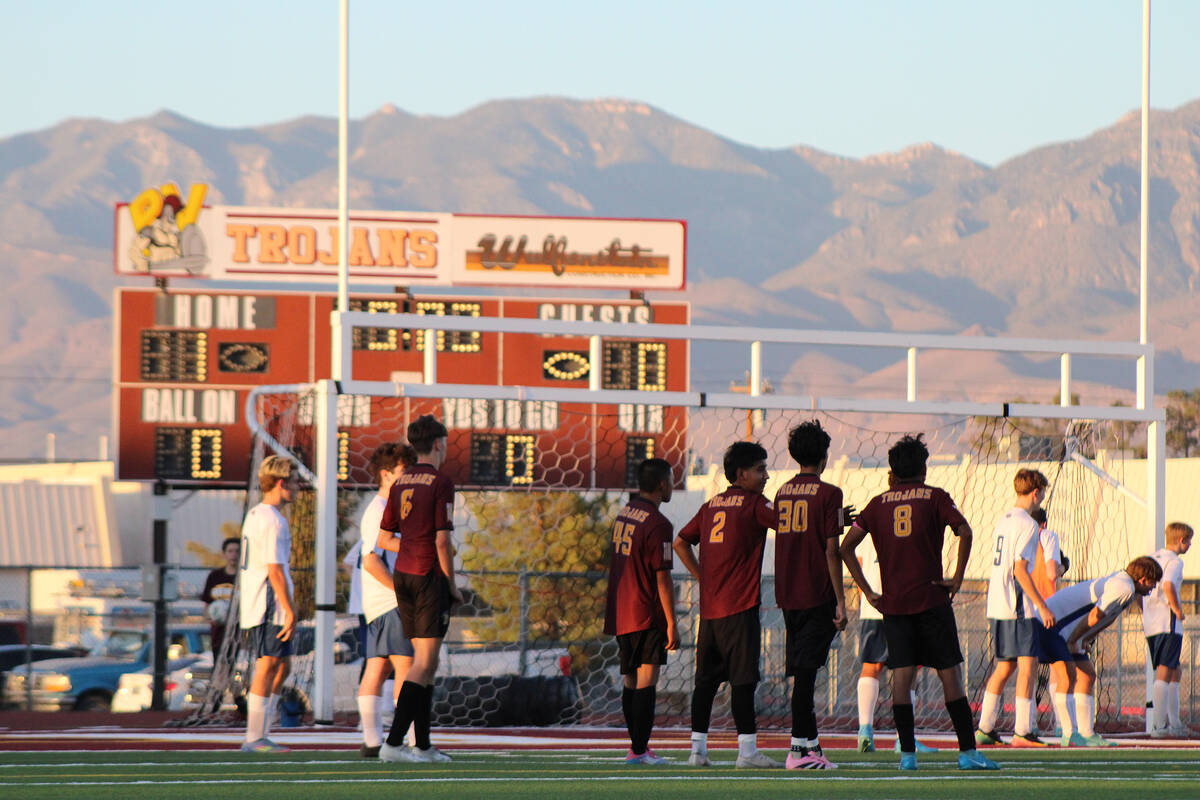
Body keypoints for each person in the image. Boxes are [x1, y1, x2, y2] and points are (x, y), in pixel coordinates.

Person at [840, 434, 998, 771]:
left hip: (893, 604)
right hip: (931, 599)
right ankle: (968, 752)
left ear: (893, 469)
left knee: (901, 677)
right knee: (950, 674)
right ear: (924, 468)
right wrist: (956, 578)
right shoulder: (935, 497)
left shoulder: (877, 503)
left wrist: (868, 591)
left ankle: (907, 756)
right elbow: (965, 532)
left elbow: (845, 547)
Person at [674, 440, 780, 769]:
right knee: (743, 681)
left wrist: (701, 577)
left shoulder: (711, 506)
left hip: (710, 609)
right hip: (740, 607)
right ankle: (747, 753)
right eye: (760, 469)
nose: (766, 475)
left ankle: (697, 751)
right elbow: (789, 527)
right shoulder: (755, 504)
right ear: (741, 473)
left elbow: (680, 542)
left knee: (705, 682)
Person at [377, 415, 462, 764]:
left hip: (404, 575)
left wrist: (412, 544)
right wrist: (453, 585)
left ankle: (423, 746)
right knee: (424, 663)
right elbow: (443, 540)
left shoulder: (400, 482)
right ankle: (393, 744)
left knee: (427, 662)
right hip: (428, 575)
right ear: (439, 443)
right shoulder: (441, 481)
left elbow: (384, 539)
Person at [773, 420, 851, 770]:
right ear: (824, 456)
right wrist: (842, 599)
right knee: (806, 676)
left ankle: (810, 746)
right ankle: (798, 751)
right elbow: (831, 550)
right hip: (815, 592)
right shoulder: (830, 493)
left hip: (788, 593)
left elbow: (803, 529)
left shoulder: (781, 492)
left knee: (803, 674)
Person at [1039, 556, 1163, 747]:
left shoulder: (1127, 588)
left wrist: (1085, 639)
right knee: (1067, 677)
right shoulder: (1124, 587)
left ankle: (1086, 733)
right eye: (1153, 583)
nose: (1153, 588)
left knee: (1087, 676)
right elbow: (1096, 614)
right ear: (1143, 579)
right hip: (1054, 624)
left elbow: (1108, 618)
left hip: (1070, 630)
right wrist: (1073, 640)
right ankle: (1068, 732)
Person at [603, 457, 679, 765]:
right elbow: (663, 576)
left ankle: (635, 748)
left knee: (630, 680)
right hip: (645, 610)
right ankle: (639, 750)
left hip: (621, 609)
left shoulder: (625, 513)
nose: (674, 484)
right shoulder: (659, 523)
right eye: (672, 479)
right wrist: (673, 623)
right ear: (662, 484)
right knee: (647, 680)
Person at [976, 470, 1056, 747]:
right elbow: (1020, 570)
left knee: (1005, 667)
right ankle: (1023, 731)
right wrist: (1042, 606)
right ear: (1036, 492)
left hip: (997, 603)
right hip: (1017, 605)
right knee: (1027, 666)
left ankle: (985, 727)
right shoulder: (1029, 525)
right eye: (1042, 492)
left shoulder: (1004, 519)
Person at [855, 500, 938, 755]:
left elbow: (856, 558)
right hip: (902, 605)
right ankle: (903, 739)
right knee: (907, 672)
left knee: (872, 667)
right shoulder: (911, 516)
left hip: (874, 604)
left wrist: (866, 595)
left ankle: (865, 730)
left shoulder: (872, 515)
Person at [357, 443, 419, 758]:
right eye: (403, 472)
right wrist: (401, 592)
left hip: (378, 603)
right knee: (406, 666)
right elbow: (370, 561)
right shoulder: (381, 509)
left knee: (378, 667)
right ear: (385, 474)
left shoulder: (387, 508)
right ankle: (406, 741)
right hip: (390, 602)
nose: (408, 478)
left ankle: (372, 741)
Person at [238, 455, 298, 753]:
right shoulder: (273, 519)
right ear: (281, 482)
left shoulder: (256, 514)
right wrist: (288, 608)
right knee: (267, 664)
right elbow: (274, 569)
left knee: (282, 665)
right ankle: (254, 737)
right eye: (295, 482)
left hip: (259, 600)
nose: (298, 488)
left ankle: (263, 729)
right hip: (267, 602)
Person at [1143, 522, 1193, 738]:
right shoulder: (1174, 562)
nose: (1190, 545)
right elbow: (1168, 586)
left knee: (1174, 670)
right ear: (1181, 541)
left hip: (1151, 623)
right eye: (1189, 541)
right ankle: (1159, 726)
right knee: (1164, 672)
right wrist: (1178, 610)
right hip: (1168, 623)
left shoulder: (1152, 558)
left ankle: (1174, 722)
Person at [202, 537, 240, 657]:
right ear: (224, 554)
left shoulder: (245, 577)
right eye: (230, 551)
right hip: (218, 631)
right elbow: (207, 603)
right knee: (219, 662)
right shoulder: (215, 576)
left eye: (237, 551)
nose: (233, 555)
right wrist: (210, 617)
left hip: (238, 631)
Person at [1030, 507, 1066, 601]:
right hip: (1043, 600)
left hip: (1022, 600)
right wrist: (1064, 566)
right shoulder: (1047, 535)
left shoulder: (1021, 536)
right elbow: (1052, 574)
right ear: (1044, 524)